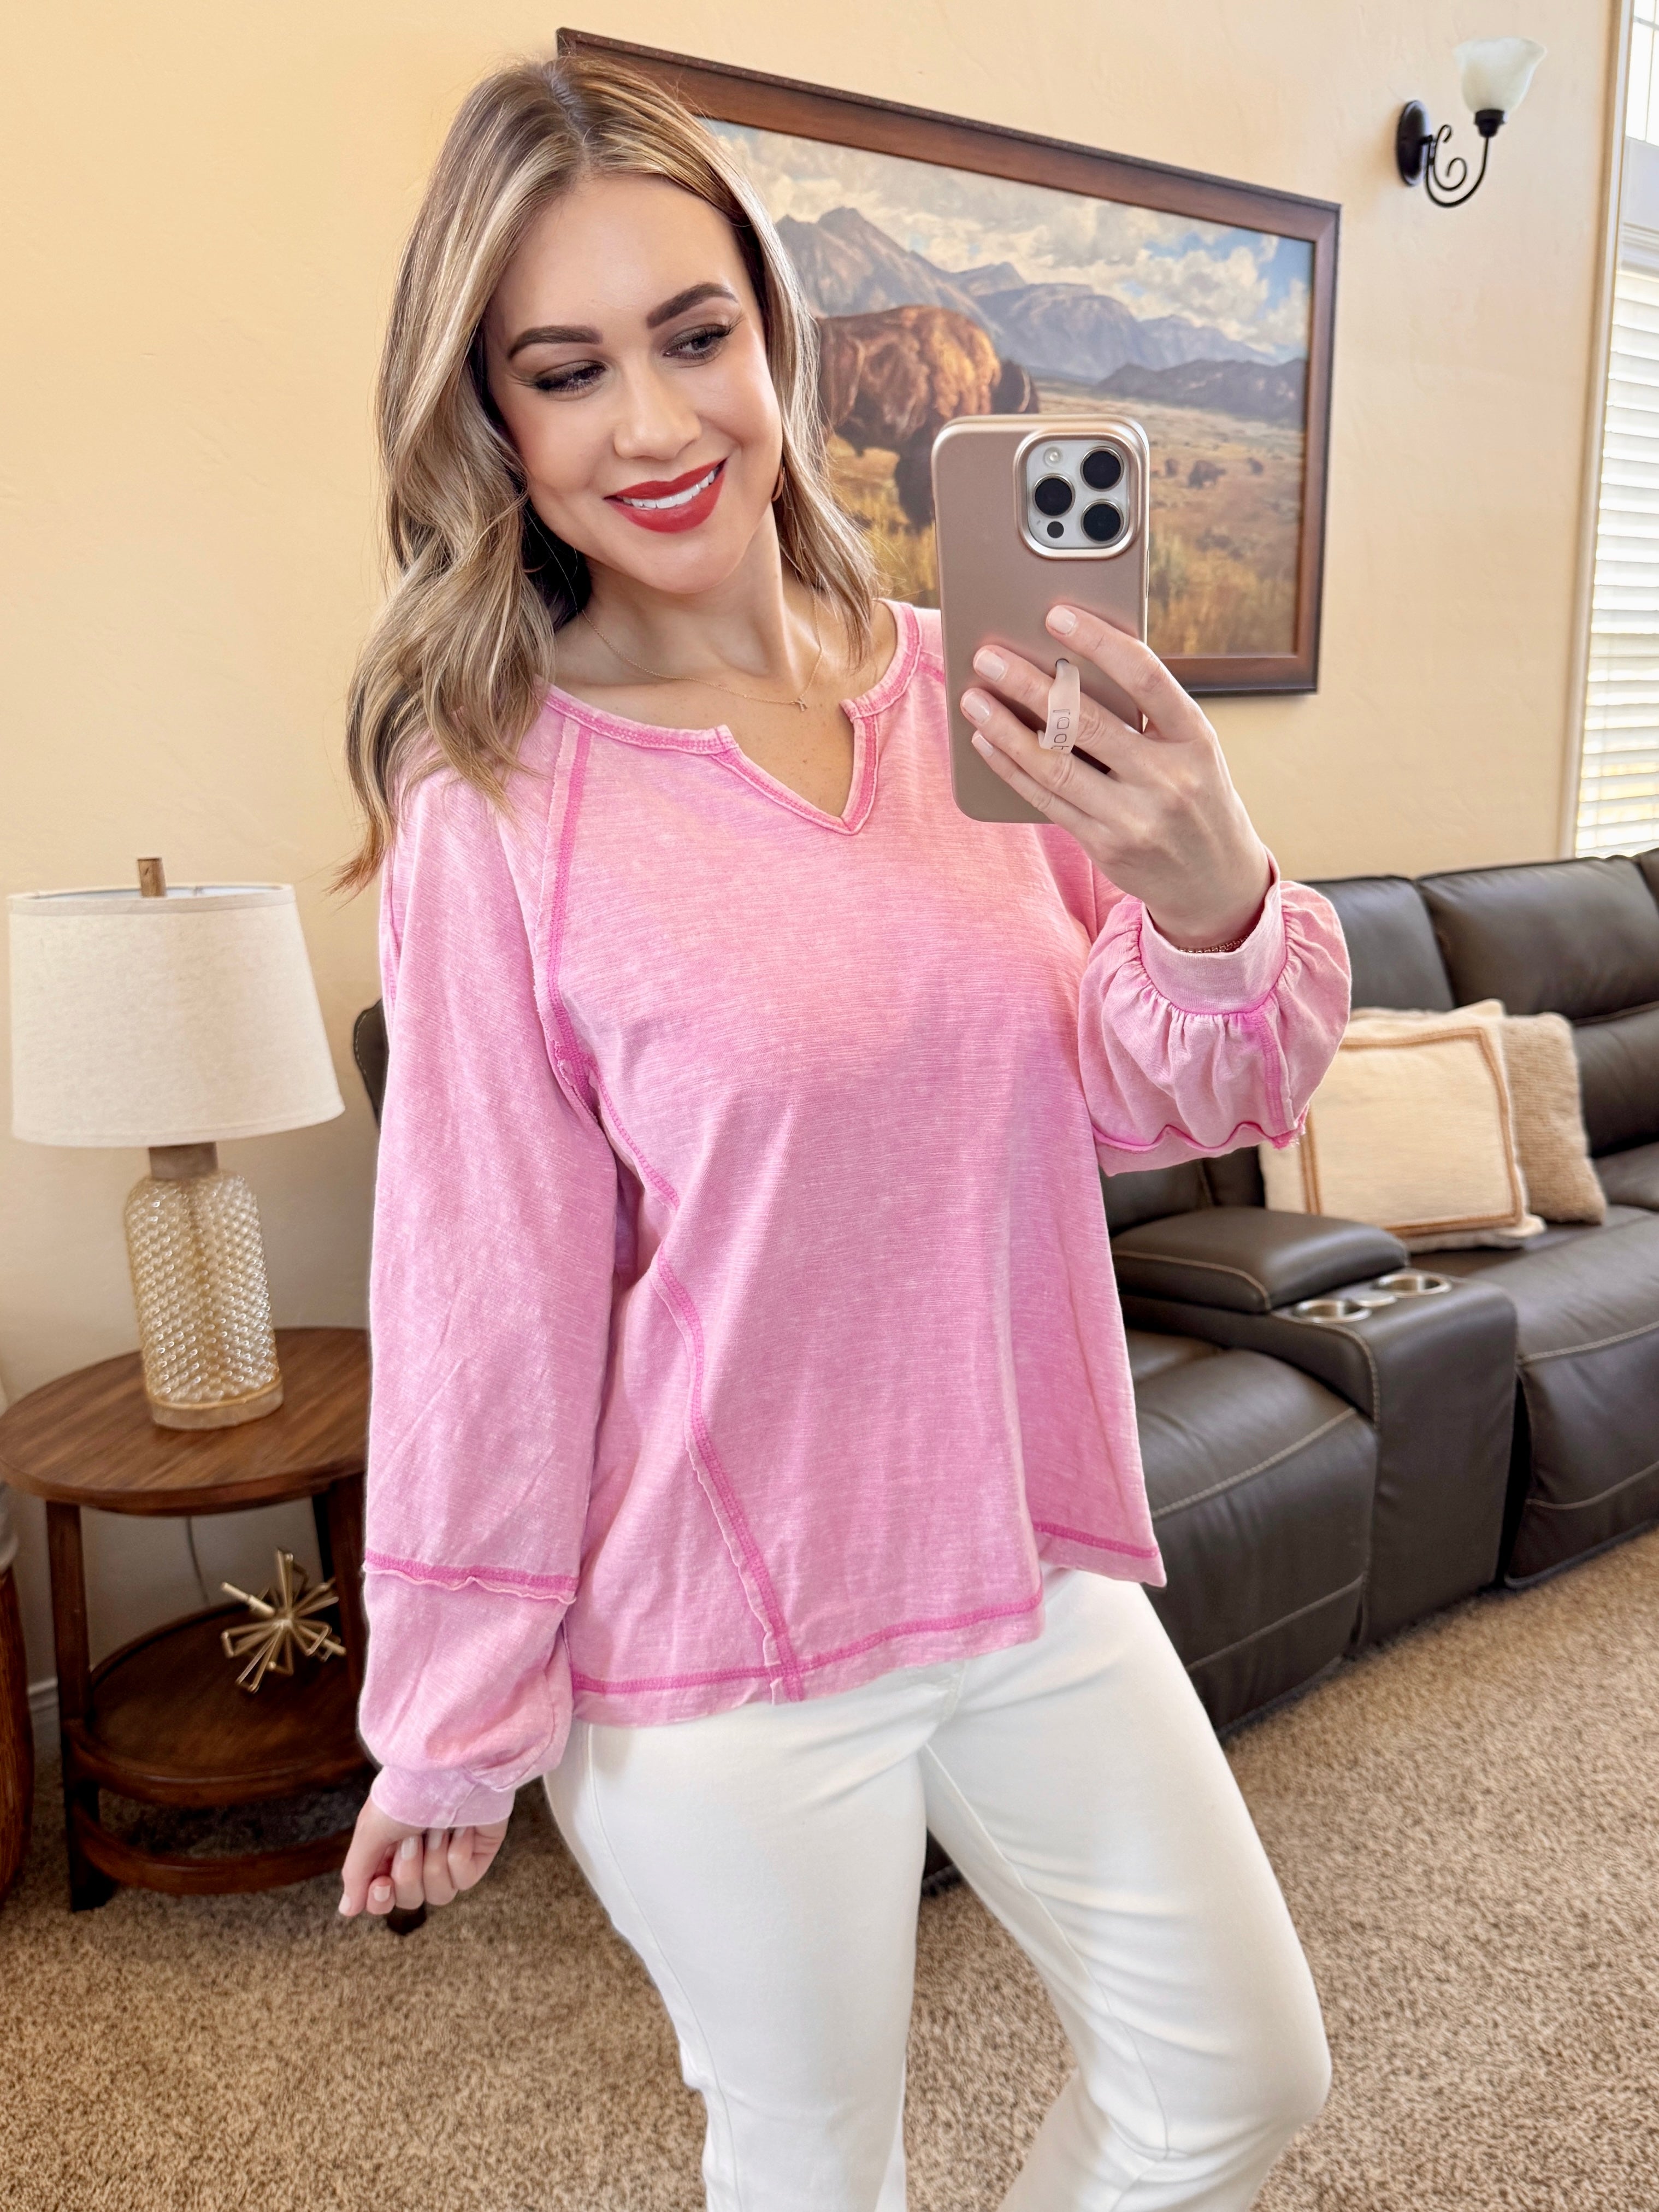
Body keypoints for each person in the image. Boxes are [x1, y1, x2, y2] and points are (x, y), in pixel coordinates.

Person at [335, 53, 1349, 2212]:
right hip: (715, 1644)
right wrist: (448, 1708)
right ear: (492, 418)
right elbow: (481, 1296)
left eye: (693, 335)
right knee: (814, 2172)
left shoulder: (978, 692)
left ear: (773, 338)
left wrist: (1206, 891)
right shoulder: (494, 802)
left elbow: (1185, 1090)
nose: (652, 422)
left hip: (1020, 1551)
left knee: (1240, 2071)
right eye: (565, 369)